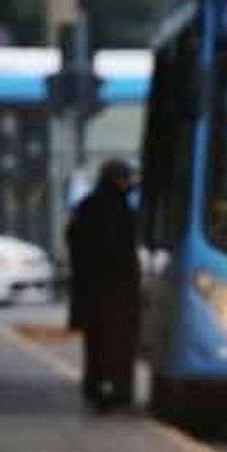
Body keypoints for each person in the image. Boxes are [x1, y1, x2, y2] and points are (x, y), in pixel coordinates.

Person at [66, 159, 140, 411]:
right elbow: (124, 251)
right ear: (118, 179)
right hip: (117, 290)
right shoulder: (121, 209)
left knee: (95, 344)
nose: (130, 183)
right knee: (118, 344)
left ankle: (94, 388)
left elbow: (73, 240)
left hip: (90, 290)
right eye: (127, 178)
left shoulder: (87, 205)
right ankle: (118, 392)